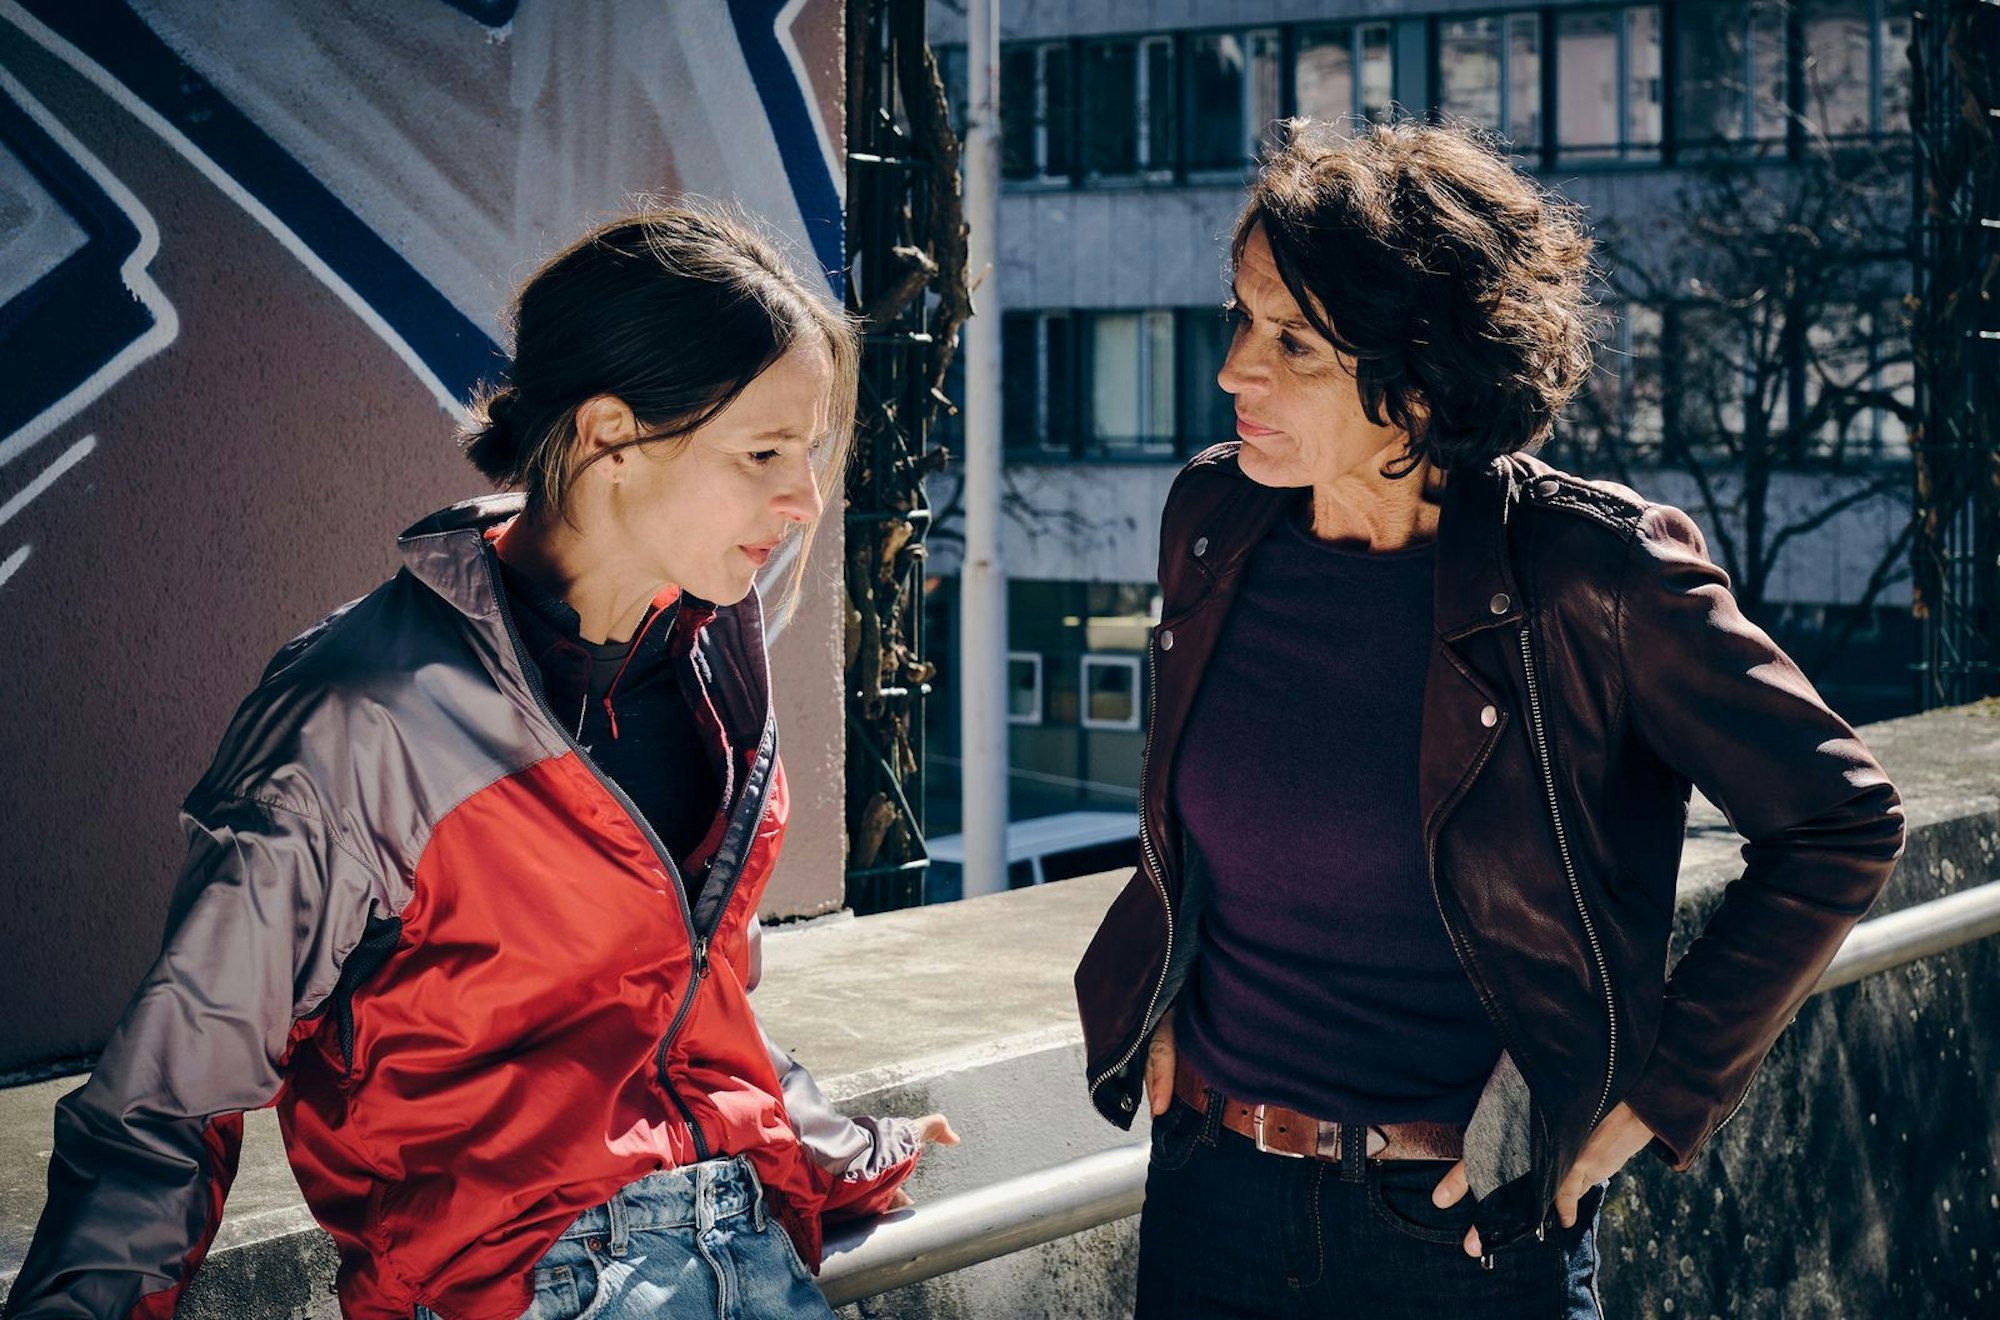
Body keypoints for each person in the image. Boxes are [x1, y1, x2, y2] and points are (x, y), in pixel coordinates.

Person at [5, 209, 957, 1320]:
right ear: (608, 435)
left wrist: (836, 1145)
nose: (802, 502)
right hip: (525, 1287)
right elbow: (165, 1097)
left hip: (751, 1258)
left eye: (808, 455)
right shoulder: (361, 714)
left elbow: (687, 1006)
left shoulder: (714, 682)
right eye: (762, 454)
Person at [1072, 120, 1905, 1319]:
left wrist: (1656, 1094)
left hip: (1460, 1235)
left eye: (1291, 341)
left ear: (1419, 376)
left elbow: (1839, 821)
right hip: (1212, 1194)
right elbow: (1201, 816)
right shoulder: (1213, 520)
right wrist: (1160, 985)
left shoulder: (1593, 576)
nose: (1233, 371)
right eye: (1239, 318)